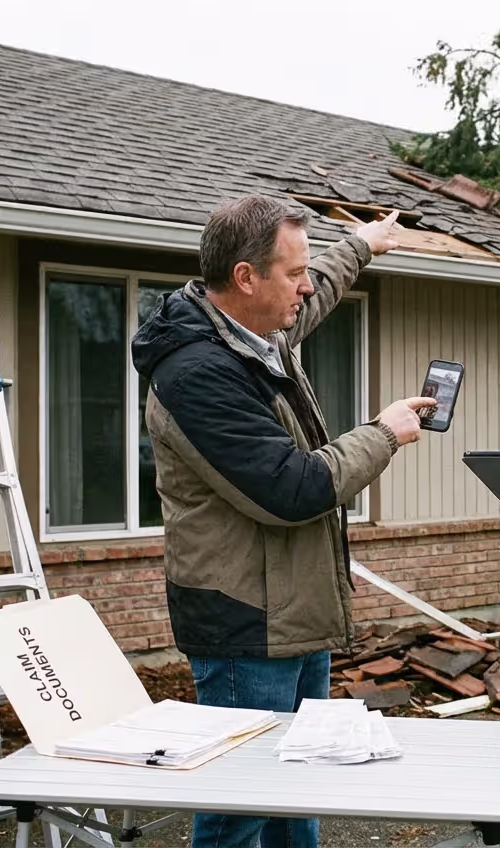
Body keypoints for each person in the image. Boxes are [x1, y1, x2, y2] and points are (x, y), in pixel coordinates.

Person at [130, 196, 435, 848]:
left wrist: (365, 243)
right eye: (290, 272)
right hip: (245, 625)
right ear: (246, 278)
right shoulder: (197, 373)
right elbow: (290, 489)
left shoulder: (252, 333)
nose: (304, 285)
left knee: (298, 788)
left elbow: (316, 289)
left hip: (290, 611)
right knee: (238, 810)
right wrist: (383, 434)